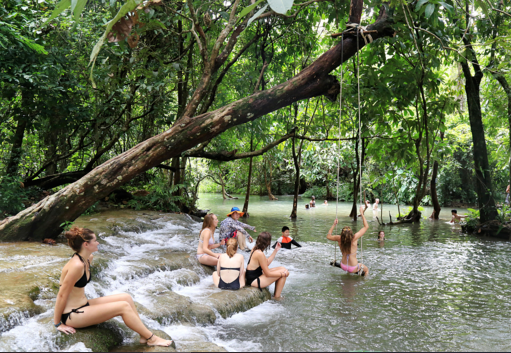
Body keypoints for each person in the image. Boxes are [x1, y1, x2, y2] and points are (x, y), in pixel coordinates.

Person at [54, 227, 172, 346]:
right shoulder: (77, 265)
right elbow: (62, 294)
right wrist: (58, 323)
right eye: (95, 240)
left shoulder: (88, 258)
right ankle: (151, 338)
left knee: (126, 297)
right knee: (123, 306)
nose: (98, 242)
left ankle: (143, 335)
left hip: (83, 305)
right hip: (72, 315)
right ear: (86, 244)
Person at [327, 205, 369, 276]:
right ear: (351, 233)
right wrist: (362, 213)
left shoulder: (339, 238)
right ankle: (363, 284)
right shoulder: (354, 238)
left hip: (343, 265)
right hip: (353, 267)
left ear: (342, 234)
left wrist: (334, 224)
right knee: (366, 270)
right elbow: (366, 226)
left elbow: (328, 236)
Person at [246, 232, 289, 298]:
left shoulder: (255, 248)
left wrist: (276, 250)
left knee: (282, 268)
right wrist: (283, 275)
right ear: (267, 242)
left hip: (252, 277)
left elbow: (266, 263)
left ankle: (276, 296)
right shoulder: (259, 253)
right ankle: (277, 297)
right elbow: (268, 273)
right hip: (254, 280)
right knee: (283, 272)